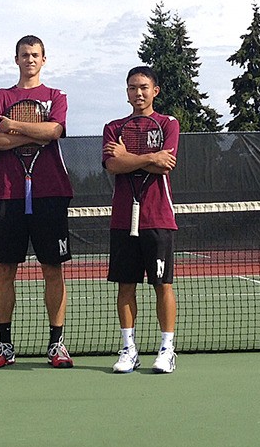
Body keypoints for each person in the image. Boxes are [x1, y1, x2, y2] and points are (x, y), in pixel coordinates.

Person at [0, 35, 74, 369]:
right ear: (16, 59)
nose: (30, 59)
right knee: (5, 270)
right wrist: (35, 131)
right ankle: (5, 345)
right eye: (24, 55)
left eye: (35, 55)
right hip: (7, 195)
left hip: (51, 193)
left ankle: (56, 345)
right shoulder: (0, 97)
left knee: (53, 269)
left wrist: (15, 127)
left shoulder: (55, 96)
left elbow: (54, 132)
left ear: (43, 60)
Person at [102, 66, 180, 374]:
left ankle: (166, 350)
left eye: (144, 87)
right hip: (123, 219)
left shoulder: (168, 123)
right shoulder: (113, 127)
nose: (139, 93)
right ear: (126, 92)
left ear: (155, 91)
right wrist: (150, 158)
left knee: (163, 285)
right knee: (126, 286)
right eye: (133, 87)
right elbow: (112, 164)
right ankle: (129, 350)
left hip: (158, 218)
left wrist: (129, 159)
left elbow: (167, 164)